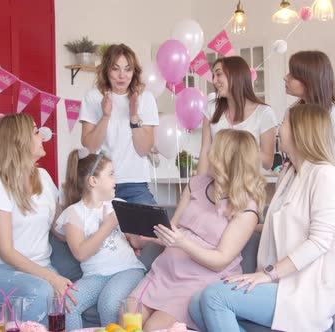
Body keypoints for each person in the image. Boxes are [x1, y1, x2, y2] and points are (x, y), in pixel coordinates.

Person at [189, 104, 335, 332]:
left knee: (214, 298)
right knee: (196, 304)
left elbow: (319, 241)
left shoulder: (324, 174)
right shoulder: (289, 173)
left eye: (283, 123)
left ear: (299, 131)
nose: (277, 129)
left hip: (303, 290)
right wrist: (241, 224)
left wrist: (268, 273)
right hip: (277, 283)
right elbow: (285, 226)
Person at [126, 129, 267, 331]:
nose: (208, 154)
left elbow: (220, 260)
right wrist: (151, 234)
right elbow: (173, 227)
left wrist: (182, 242)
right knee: (128, 320)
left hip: (200, 280)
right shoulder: (197, 184)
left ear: (228, 160)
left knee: (153, 329)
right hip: (165, 271)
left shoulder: (246, 208)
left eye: (214, 150)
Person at [0, 113, 77, 325]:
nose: (43, 136)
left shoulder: (44, 177)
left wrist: (96, 224)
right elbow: (6, 252)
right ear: (20, 141)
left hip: (41, 269)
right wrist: (51, 278)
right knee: (40, 291)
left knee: (73, 304)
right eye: (36, 132)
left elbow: (59, 229)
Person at [54, 148, 146, 329]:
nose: (115, 180)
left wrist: (143, 235)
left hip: (127, 270)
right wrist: (107, 226)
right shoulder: (73, 213)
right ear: (93, 181)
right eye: (111, 174)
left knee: (109, 303)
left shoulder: (118, 205)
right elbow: (81, 253)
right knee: (68, 304)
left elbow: (135, 241)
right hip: (95, 276)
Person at [284, 50, 335, 226]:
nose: (285, 77)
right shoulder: (292, 112)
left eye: (292, 74)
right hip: (308, 201)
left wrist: (314, 174)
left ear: (308, 80)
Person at [80, 43, 159, 205]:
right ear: (106, 70)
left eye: (127, 69)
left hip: (135, 184)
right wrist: (105, 116)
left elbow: (144, 149)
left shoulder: (145, 98)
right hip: (102, 183)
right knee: (103, 229)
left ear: (134, 72)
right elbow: (90, 148)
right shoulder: (93, 97)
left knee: (155, 228)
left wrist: (134, 116)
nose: (122, 75)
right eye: (116, 69)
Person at [197, 56, 277, 174]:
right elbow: (205, 152)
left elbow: (268, 162)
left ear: (235, 76)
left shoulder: (264, 113)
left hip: (247, 187)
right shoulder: (211, 109)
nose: (214, 81)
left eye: (218, 74)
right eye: (213, 76)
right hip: (216, 186)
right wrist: (198, 188)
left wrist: (238, 149)